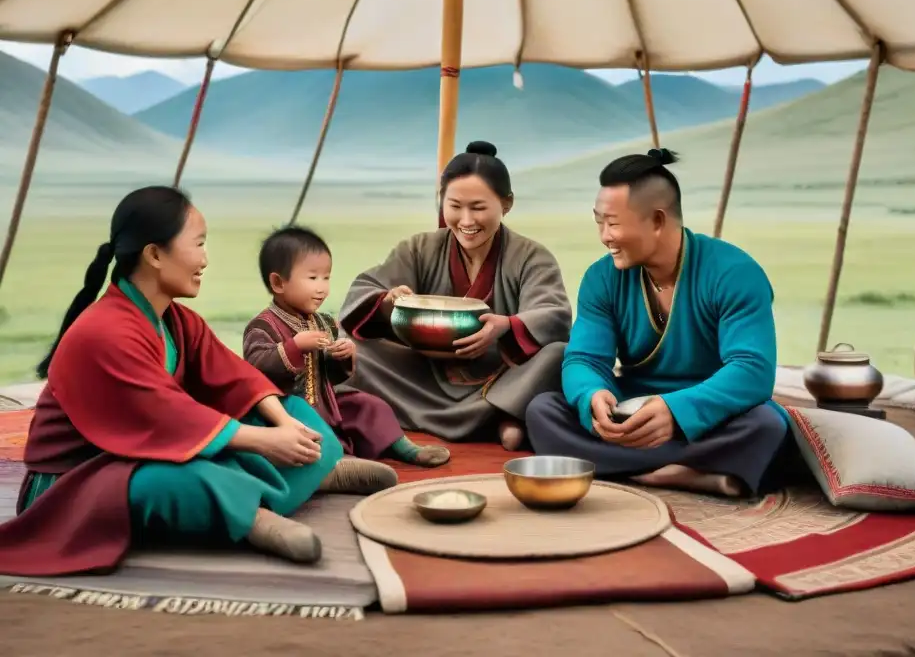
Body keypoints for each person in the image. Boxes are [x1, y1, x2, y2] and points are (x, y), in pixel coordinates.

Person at [0, 186, 394, 578]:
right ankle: (258, 515)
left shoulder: (177, 320)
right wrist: (263, 441)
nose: (205, 259)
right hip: (82, 480)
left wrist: (284, 425)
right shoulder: (103, 331)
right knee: (184, 479)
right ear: (155, 254)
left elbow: (237, 378)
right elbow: (165, 415)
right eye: (199, 244)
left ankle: (283, 483)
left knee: (297, 415)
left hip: (152, 449)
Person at [525, 149, 788, 497]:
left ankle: (617, 465)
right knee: (543, 411)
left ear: (658, 220)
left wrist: (678, 411)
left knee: (765, 425)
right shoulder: (601, 278)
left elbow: (753, 370)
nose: (604, 236)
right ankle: (688, 471)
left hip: (712, 410)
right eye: (599, 222)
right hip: (632, 409)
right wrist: (592, 394)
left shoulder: (734, 273)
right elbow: (585, 359)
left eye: (614, 223)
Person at [338, 141, 572, 450]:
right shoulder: (419, 248)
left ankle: (503, 410)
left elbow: (553, 312)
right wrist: (387, 302)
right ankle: (503, 418)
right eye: (454, 206)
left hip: (503, 378)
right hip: (424, 377)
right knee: (349, 345)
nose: (466, 220)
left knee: (558, 354)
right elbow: (364, 293)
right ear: (441, 201)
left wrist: (505, 326)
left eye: (478, 208)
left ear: (507, 204)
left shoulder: (531, 256)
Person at [243, 226, 450, 468]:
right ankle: (339, 462)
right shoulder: (261, 327)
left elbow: (331, 378)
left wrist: (342, 357)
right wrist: (295, 347)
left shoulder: (323, 322)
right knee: (312, 428)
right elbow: (255, 370)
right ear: (278, 283)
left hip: (326, 403)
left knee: (369, 405)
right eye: (312, 278)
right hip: (288, 412)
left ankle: (405, 449)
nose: (322, 287)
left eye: (326, 277)